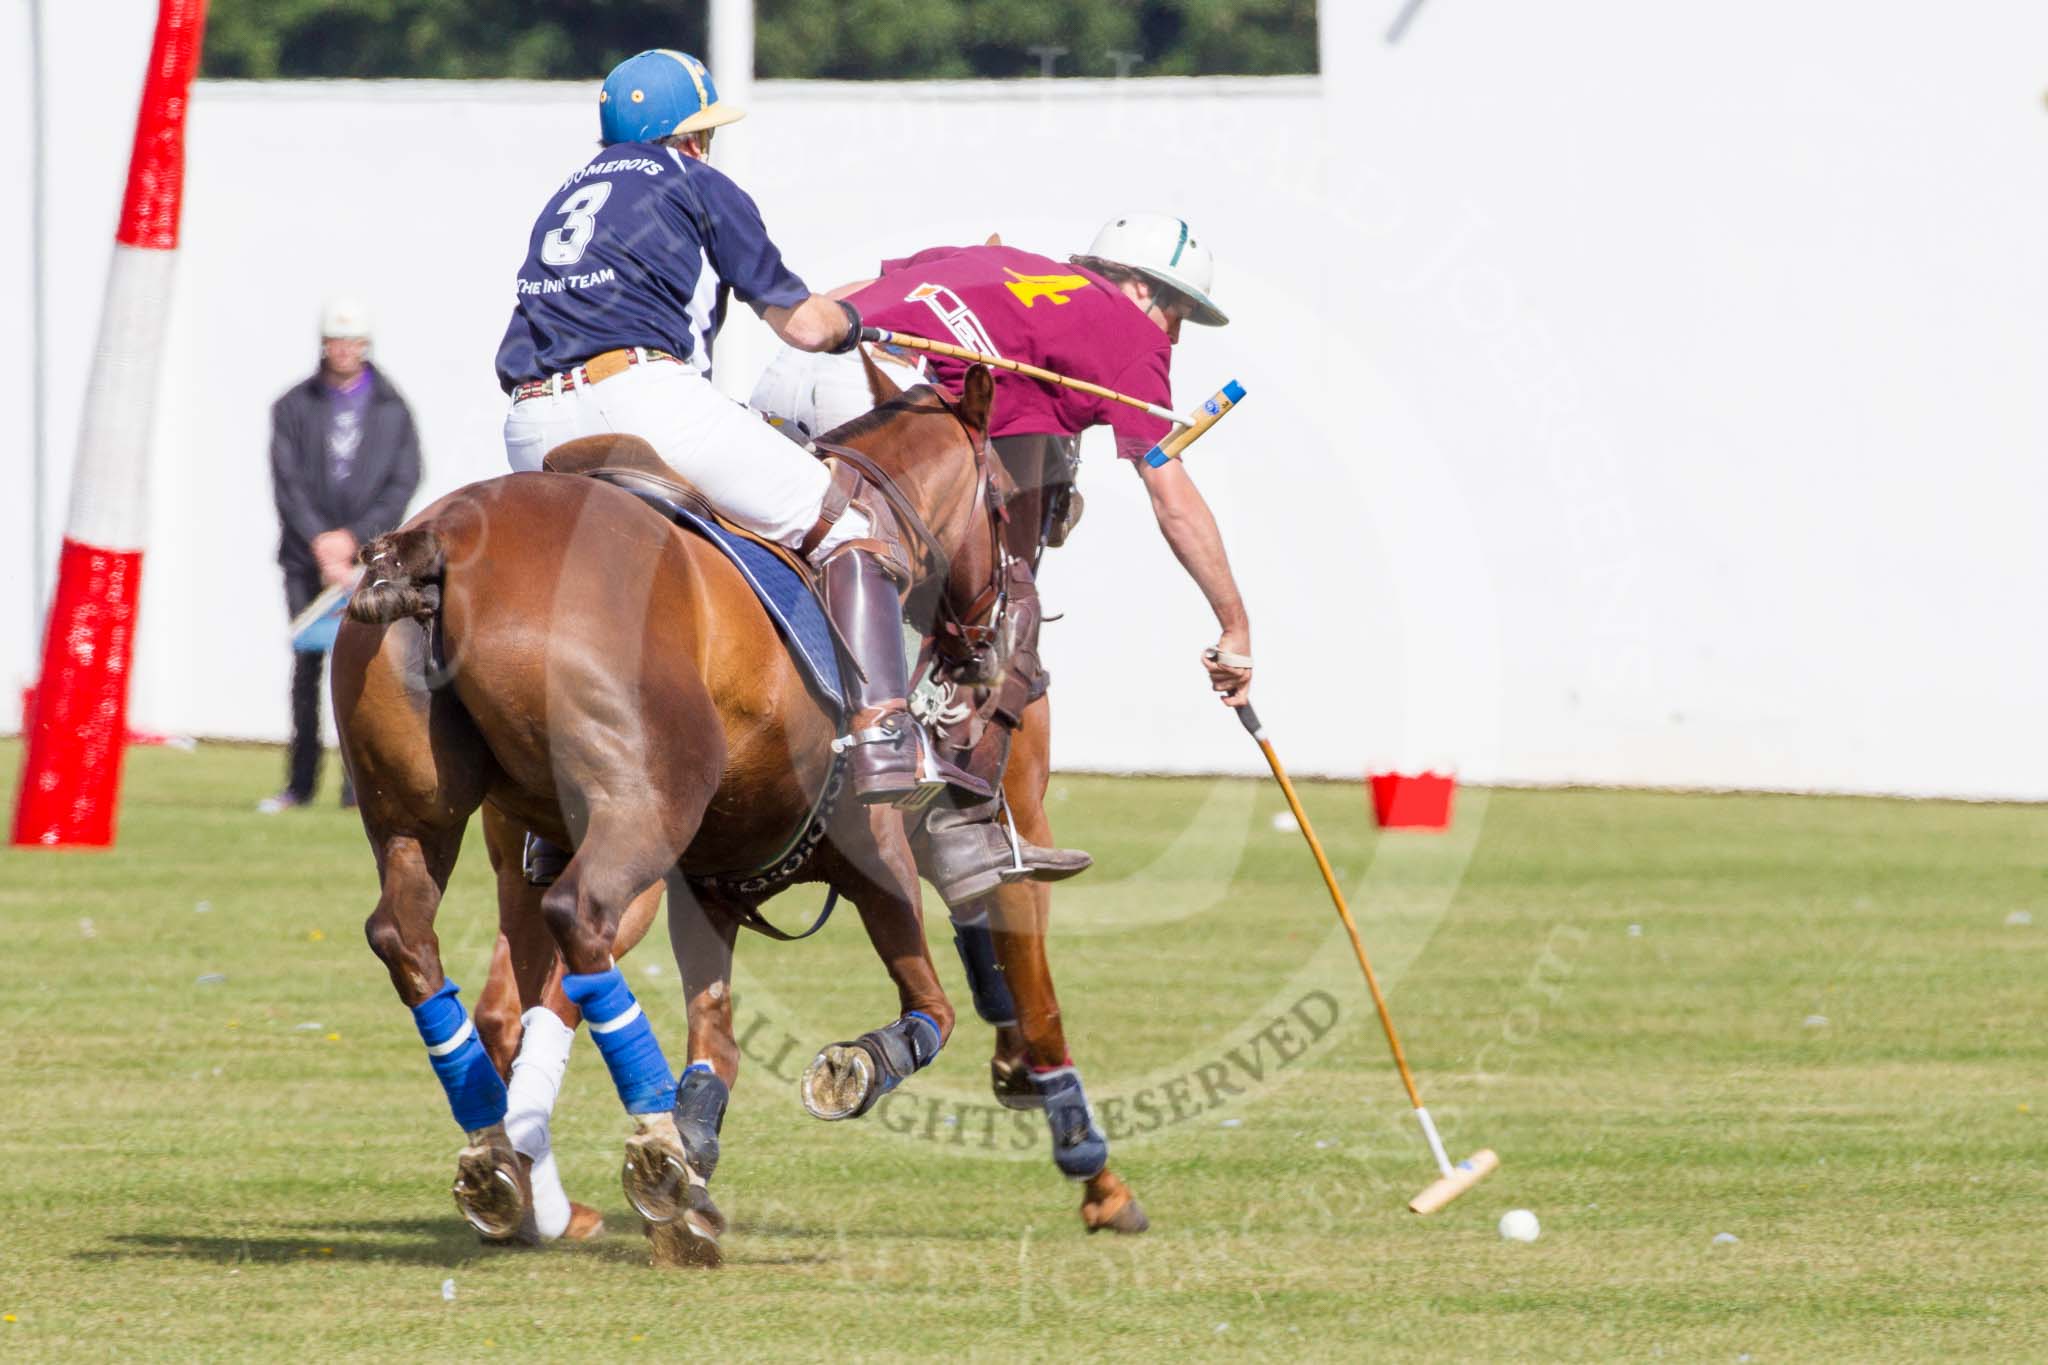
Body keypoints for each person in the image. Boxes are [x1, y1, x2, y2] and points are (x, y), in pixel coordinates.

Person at [752, 214, 1256, 712]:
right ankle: (900, 723)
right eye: (1180, 315)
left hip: (791, 370)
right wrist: (1234, 625)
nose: (1175, 338)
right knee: (968, 577)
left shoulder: (996, 259)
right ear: (1143, 290)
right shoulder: (1133, 335)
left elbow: (849, 294)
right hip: (877, 392)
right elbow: (1173, 501)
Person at [260, 297, 421, 813]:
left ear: (365, 347)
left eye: (352, 342)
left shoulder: (393, 409)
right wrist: (322, 543)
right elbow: (287, 483)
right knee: (307, 667)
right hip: (306, 561)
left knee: (365, 670)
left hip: (368, 564)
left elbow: (403, 481)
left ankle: (361, 789)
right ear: (323, 345)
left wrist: (355, 539)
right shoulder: (292, 406)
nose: (343, 351)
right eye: (335, 342)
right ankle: (300, 784)